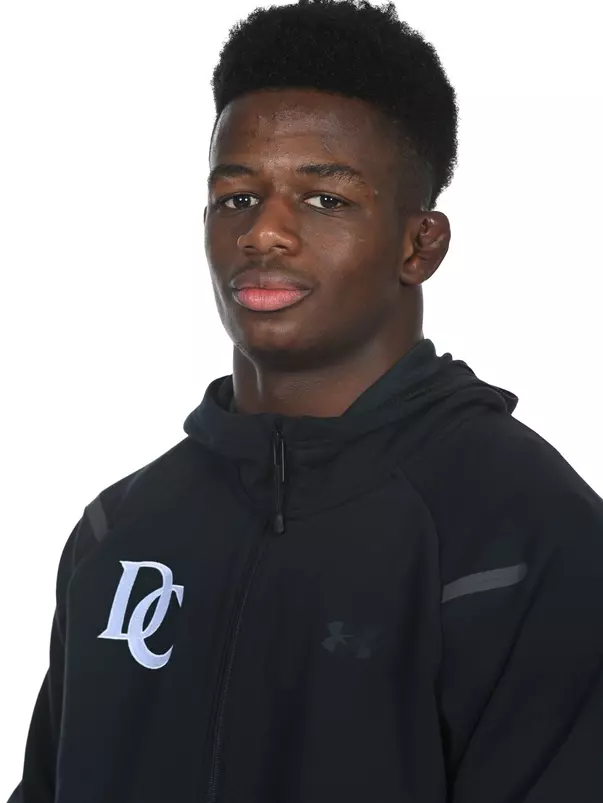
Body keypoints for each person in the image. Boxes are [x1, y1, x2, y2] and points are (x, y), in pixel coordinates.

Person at [8, 0, 603, 801]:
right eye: (237, 197)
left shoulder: (524, 535)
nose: (265, 234)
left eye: (325, 199)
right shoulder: (122, 532)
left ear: (418, 243)